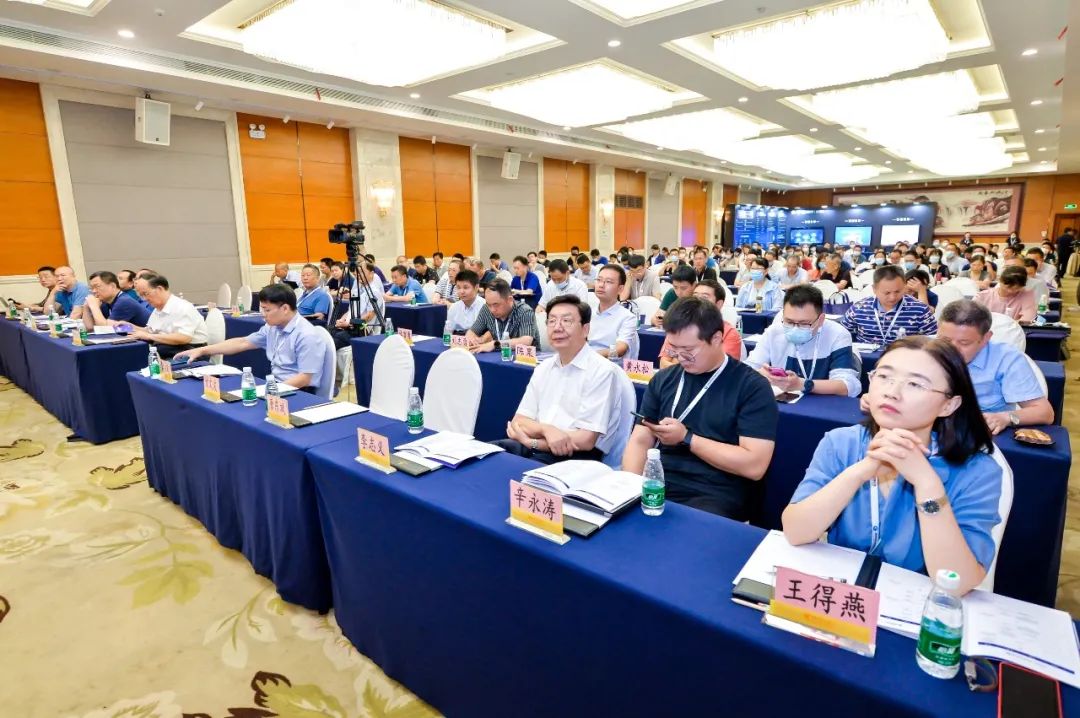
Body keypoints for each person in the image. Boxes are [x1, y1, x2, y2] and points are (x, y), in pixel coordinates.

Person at [784, 336, 1003, 594]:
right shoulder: (842, 443)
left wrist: (927, 483)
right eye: (884, 376)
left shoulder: (977, 471)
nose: (891, 392)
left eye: (915, 384)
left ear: (949, 404)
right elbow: (795, 532)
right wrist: (859, 472)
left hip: (917, 601)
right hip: (844, 594)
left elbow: (958, 582)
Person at [623, 297, 778, 519]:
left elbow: (754, 466)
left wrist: (687, 438)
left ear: (716, 339)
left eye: (688, 349)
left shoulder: (752, 387)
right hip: (660, 480)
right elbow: (640, 440)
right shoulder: (664, 379)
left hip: (717, 491)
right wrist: (630, 487)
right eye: (673, 349)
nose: (680, 357)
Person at [499, 296, 625, 464]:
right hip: (532, 447)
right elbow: (519, 422)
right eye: (551, 321)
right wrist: (546, 430)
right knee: (485, 458)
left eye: (566, 321)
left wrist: (533, 442)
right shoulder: (543, 367)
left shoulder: (602, 371)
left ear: (585, 329)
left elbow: (585, 440)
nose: (557, 327)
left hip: (575, 458)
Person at [178, 284, 331, 395]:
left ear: (285, 308)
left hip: (297, 390)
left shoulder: (306, 335)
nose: (263, 315)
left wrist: (268, 392)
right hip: (276, 385)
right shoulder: (273, 327)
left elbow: (305, 378)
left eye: (267, 310)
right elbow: (243, 342)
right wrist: (203, 350)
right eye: (262, 309)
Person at [934, 300, 1054, 433]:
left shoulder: (1006, 359)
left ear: (986, 338)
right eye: (944, 340)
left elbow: (1044, 413)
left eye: (964, 343)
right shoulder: (923, 350)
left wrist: (1006, 418)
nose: (952, 349)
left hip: (979, 434)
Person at [746, 284, 860, 397]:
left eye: (804, 323)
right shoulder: (774, 332)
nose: (795, 328)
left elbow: (848, 386)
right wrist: (760, 374)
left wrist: (803, 385)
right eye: (789, 322)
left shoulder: (838, 334)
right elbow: (747, 369)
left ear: (821, 319)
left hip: (825, 403)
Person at [841, 265, 937, 345]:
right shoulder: (859, 308)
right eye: (887, 293)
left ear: (904, 286)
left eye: (897, 291)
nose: (892, 297)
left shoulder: (920, 310)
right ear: (874, 289)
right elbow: (842, 335)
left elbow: (934, 339)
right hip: (865, 359)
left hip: (904, 358)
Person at [659, 280, 742, 367]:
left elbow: (718, 368)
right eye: (695, 296)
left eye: (704, 297)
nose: (697, 301)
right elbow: (663, 364)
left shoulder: (729, 333)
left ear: (718, 304)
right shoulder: (678, 326)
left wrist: (676, 361)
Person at [130, 273, 208, 358]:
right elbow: (151, 330)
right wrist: (130, 327)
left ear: (159, 289)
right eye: (141, 296)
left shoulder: (181, 307)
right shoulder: (158, 307)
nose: (144, 299)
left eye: (145, 294)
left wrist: (149, 336)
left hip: (190, 352)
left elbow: (184, 338)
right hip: (168, 348)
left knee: (139, 357)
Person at [466, 279, 539, 352]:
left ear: (510, 300)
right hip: (498, 355)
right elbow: (472, 332)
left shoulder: (525, 311)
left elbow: (526, 341)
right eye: (489, 305)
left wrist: (495, 344)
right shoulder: (486, 309)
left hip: (525, 357)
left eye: (496, 304)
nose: (492, 310)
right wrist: (472, 341)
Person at [587, 264, 638, 360]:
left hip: (611, 365)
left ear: (620, 289)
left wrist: (592, 356)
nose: (601, 285)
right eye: (599, 280)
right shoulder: (588, 313)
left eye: (608, 282)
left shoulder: (627, 317)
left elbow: (620, 349)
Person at [330, 262, 384, 342]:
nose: (358, 274)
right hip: (348, 326)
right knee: (329, 332)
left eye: (361, 272)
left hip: (361, 329)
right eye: (357, 272)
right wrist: (342, 320)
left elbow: (369, 316)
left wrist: (348, 323)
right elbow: (350, 311)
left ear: (371, 274)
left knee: (336, 338)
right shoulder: (356, 290)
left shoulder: (374, 292)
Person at [82, 271, 151, 329]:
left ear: (113, 286)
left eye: (97, 286)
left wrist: (94, 306)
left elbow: (105, 329)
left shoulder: (124, 301)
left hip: (146, 339)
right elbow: (89, 328)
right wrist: (86, 307)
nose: (94, 291)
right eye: (92, 288)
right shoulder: (104, 302)